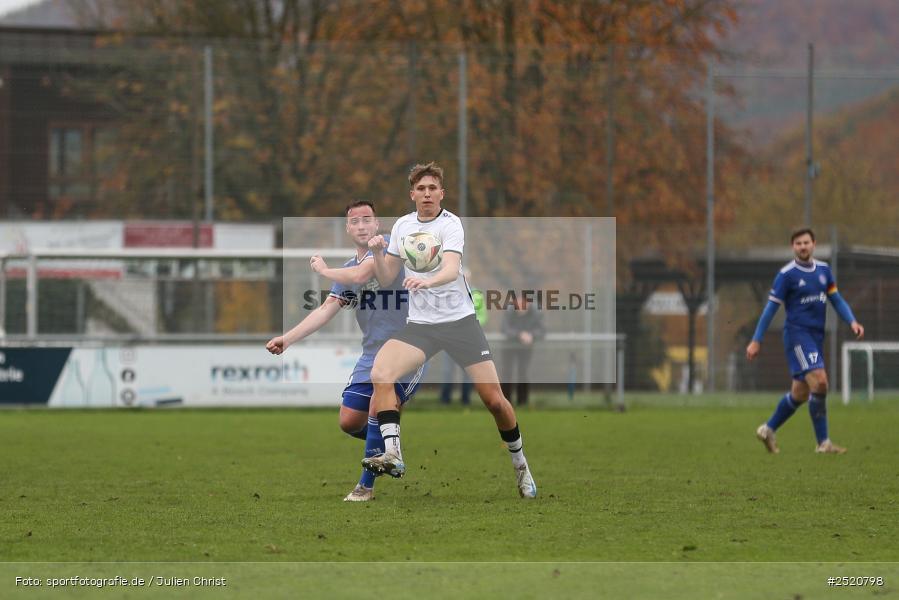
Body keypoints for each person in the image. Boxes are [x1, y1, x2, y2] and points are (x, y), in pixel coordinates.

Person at [362, 161, 537, 499]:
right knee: (381, 373)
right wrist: (379, 253)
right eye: (421, 189)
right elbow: (386, 278)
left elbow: (451, 269)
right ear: (412, 194)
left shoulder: (451, 224)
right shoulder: (402, 225)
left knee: (495, 402)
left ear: (442, 193)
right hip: (421, 327)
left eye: (433, 188)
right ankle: (394, 454)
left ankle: (521, 465)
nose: (427, 194)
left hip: (460, 324)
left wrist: (425, 281)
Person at [265, 200, 423, 502]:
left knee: (378, 404)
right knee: (350, 421)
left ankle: (365, 487)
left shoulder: (388, 247)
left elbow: (366, 275)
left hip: (408, 347)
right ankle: (391, 443)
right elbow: (326, 309)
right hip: (372, 353)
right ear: (347, 228)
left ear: (377, 224)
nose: (362, 226)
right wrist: (288, 338)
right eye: (355, 221)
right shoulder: (348, 271)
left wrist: (324, 269)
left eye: (367, 219)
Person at [746, 228, 864, 454]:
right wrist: (756, 340)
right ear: (793, 247)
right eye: (798, 243)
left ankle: (768, 429)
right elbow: (771, 309)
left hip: (816, 336)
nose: (803, 246)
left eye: (806, 242)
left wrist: (852, 322)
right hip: (797, 335)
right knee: (820, 381)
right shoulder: (786, 275)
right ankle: (823, 443)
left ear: (814, 244)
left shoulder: (824, 271)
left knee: (800, 393)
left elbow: (836, 300)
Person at [439, 270, 487, 405]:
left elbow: (482, 316)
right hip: (450, 339)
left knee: (468, 371)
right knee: (448, 370)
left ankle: (465, 400)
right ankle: (445, 400)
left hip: (468, 339)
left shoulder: (476, 295)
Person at [501, 297, 545, 406]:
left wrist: (531, 335)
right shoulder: (509, 310)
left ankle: (522, 403)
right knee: (507, 373)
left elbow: (542, 330)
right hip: (509, 346)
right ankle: (505, 403)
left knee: (523, 373)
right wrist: (519, 335)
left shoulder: (536, 312)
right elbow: (504, 328)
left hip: (526, 347)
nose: (520, 308)